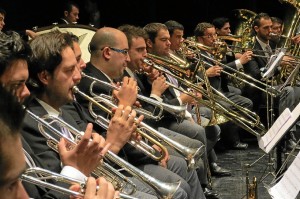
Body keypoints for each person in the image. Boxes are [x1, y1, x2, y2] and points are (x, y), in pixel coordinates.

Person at [76, 26, 204, 199]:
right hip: (122, 162)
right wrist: (126, 106)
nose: (128, 58)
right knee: (180, 188)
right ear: (107, 52)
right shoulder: (93, 85)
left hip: (132, 150)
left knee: (185, 167)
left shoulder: (110, 79)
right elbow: (110, 135)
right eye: (125, 52)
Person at [0, 85, 118, 199]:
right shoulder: (26, 123)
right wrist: (113, 143)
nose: (27, 92)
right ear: (44, 77)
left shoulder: (63, 112)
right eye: (17, 84)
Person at [243, 13, 300, 150]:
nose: (270, 31)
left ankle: (293, 131)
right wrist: (280, 65)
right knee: (289, 91)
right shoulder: (250, 47)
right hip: (258, 89)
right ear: (256, 28)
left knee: (297, 89)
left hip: (274, 86)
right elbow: (257, 74)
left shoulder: (274, 43)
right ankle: (285, 136)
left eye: (271, 27)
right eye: (266, 28)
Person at [193, 22, 253, 150]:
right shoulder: (195, 54)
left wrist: (227, 54)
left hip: (220, 89)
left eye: (215, 35)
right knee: (227, 106)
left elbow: (222, 66)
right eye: (209, 36)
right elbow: (220, 70)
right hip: (208, 94)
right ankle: (230, 140)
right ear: (199, 39)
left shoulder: (212, 50)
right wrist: (239, 62)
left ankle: (229, 138)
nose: (214, 39)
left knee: (247, 103)